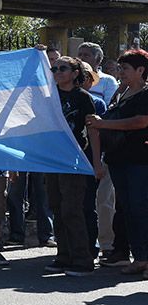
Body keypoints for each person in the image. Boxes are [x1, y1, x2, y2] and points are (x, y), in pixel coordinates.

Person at [86, 49, 148, 279]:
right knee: (129, 210)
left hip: (140, 161)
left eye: (126, 69)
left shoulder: (145, 94)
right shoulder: (122, 93)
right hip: (119, 160)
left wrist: (105, 126)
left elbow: (141, 121)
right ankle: (140, 257)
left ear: (141, 70)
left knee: (141, 209)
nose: (120, 73)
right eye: (120, 68)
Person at [43, 56, 102, 277]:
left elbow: (93, 130)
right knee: (57, 208)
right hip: (53, 160)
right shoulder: (49, 97)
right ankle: (63, 255)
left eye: (63, 68)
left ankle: (82, 259)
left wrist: (96, 164)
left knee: (72, 210)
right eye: (54, 68)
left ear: (75, 73)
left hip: (75, 160)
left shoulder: (83, 98)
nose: (57, 71)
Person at [77, 42, 119, 263]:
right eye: (79, 54)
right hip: (77, 156)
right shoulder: (66, 94)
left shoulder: (106, 86)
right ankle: (81, 243)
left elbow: (109, 114)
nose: (82, 57)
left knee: (103, 200)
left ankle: (106, 245)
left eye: (86, 55)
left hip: (100, 154)